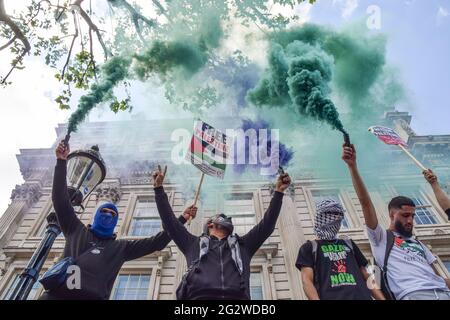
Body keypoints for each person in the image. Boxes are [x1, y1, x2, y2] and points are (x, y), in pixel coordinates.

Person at [40, 141, 197, 300]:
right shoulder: (76, 230)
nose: (108, 215)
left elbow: (158, 242)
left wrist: (182, 219)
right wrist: (61, 162)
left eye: (112, 214)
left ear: (116, 221)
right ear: (96, 216)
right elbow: (60, 200)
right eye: (104, 211)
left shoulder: (121, 248)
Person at [152, 165, 291, 300]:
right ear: (210, 224)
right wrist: (158, 189)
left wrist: (278, 192)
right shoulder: (193, 244)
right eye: (223, 217)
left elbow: (267, 225)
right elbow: (170, 222)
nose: (228, 218)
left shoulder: (243, 245)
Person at [342, 144, 450, 300]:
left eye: (413, 216)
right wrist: (353, 167)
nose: (410, 220)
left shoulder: (419, 244)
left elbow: (438, 277)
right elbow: (365, 202)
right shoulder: (380, 238)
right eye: (405, 215)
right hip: (413, 295)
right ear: (392, 214)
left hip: (443, 293)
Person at [296, 198, 385, 300]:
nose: (334, 220)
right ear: (319, 217)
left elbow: (367, 276)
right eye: (330, 215)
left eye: (338, 216)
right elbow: (307, 281)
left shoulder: (348, 244)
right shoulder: (309, 248)